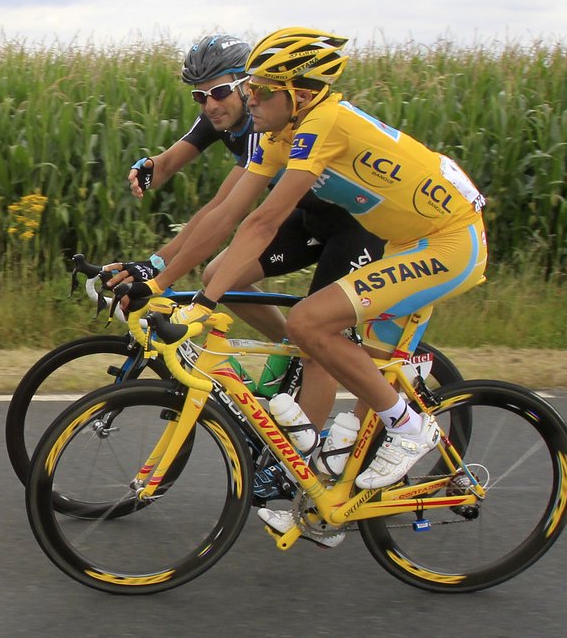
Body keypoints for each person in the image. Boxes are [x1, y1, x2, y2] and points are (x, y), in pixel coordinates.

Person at [136, 27, 489, 545]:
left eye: (259, 91)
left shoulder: (324, 124)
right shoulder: (276, 132)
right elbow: (228, 215)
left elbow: (262, 224)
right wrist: (161, 279)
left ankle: (411, 428)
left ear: (298, 96)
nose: (248, 99)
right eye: (248, 89)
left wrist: (202, 305)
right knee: (362, 372)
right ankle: (327, 510)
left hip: (448, 242)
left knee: (310, 324)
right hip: (404, 242)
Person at [112, 32, 385, 422]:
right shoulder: (221, 114)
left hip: (357, 226)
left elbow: (224, 211)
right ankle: (291, 346)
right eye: (199, 95)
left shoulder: (264, 127)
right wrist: (151, 166)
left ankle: (303, 457)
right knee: (219, 276)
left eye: (219, 92)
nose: (209, 104)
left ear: (247, 85)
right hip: (309, 218)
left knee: (318, 338)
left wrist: (157, 271)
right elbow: (168, 163)